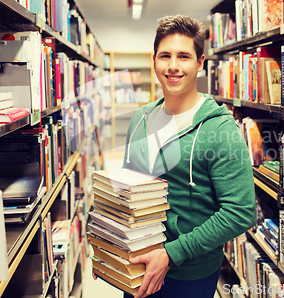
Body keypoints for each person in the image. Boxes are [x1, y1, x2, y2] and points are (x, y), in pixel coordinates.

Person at [106, 15, 256, 298]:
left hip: (189, 274)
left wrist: (172, 253)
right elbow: (128, 188)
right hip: (136, 264)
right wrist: (109, 242)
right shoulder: (140, 118)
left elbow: (240, 212)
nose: (173, 66)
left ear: (200, 63)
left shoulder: (220, 129)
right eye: (165, 56)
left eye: (184, 56)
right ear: (154, 60)